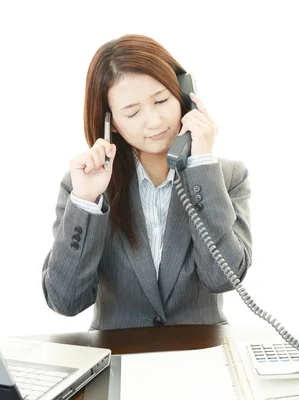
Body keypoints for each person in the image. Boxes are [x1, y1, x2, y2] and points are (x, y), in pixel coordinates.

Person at [42, 34, 252, 330]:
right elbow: (65, 301)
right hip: (119, 359)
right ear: (111, 122)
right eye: (133, 112)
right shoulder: (83, 186)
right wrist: (86, 202)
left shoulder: (227, 177)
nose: (154, 121)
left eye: (162, 100)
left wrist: (201, 163)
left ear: (184, 96)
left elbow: (224, 277)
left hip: (202, 359)